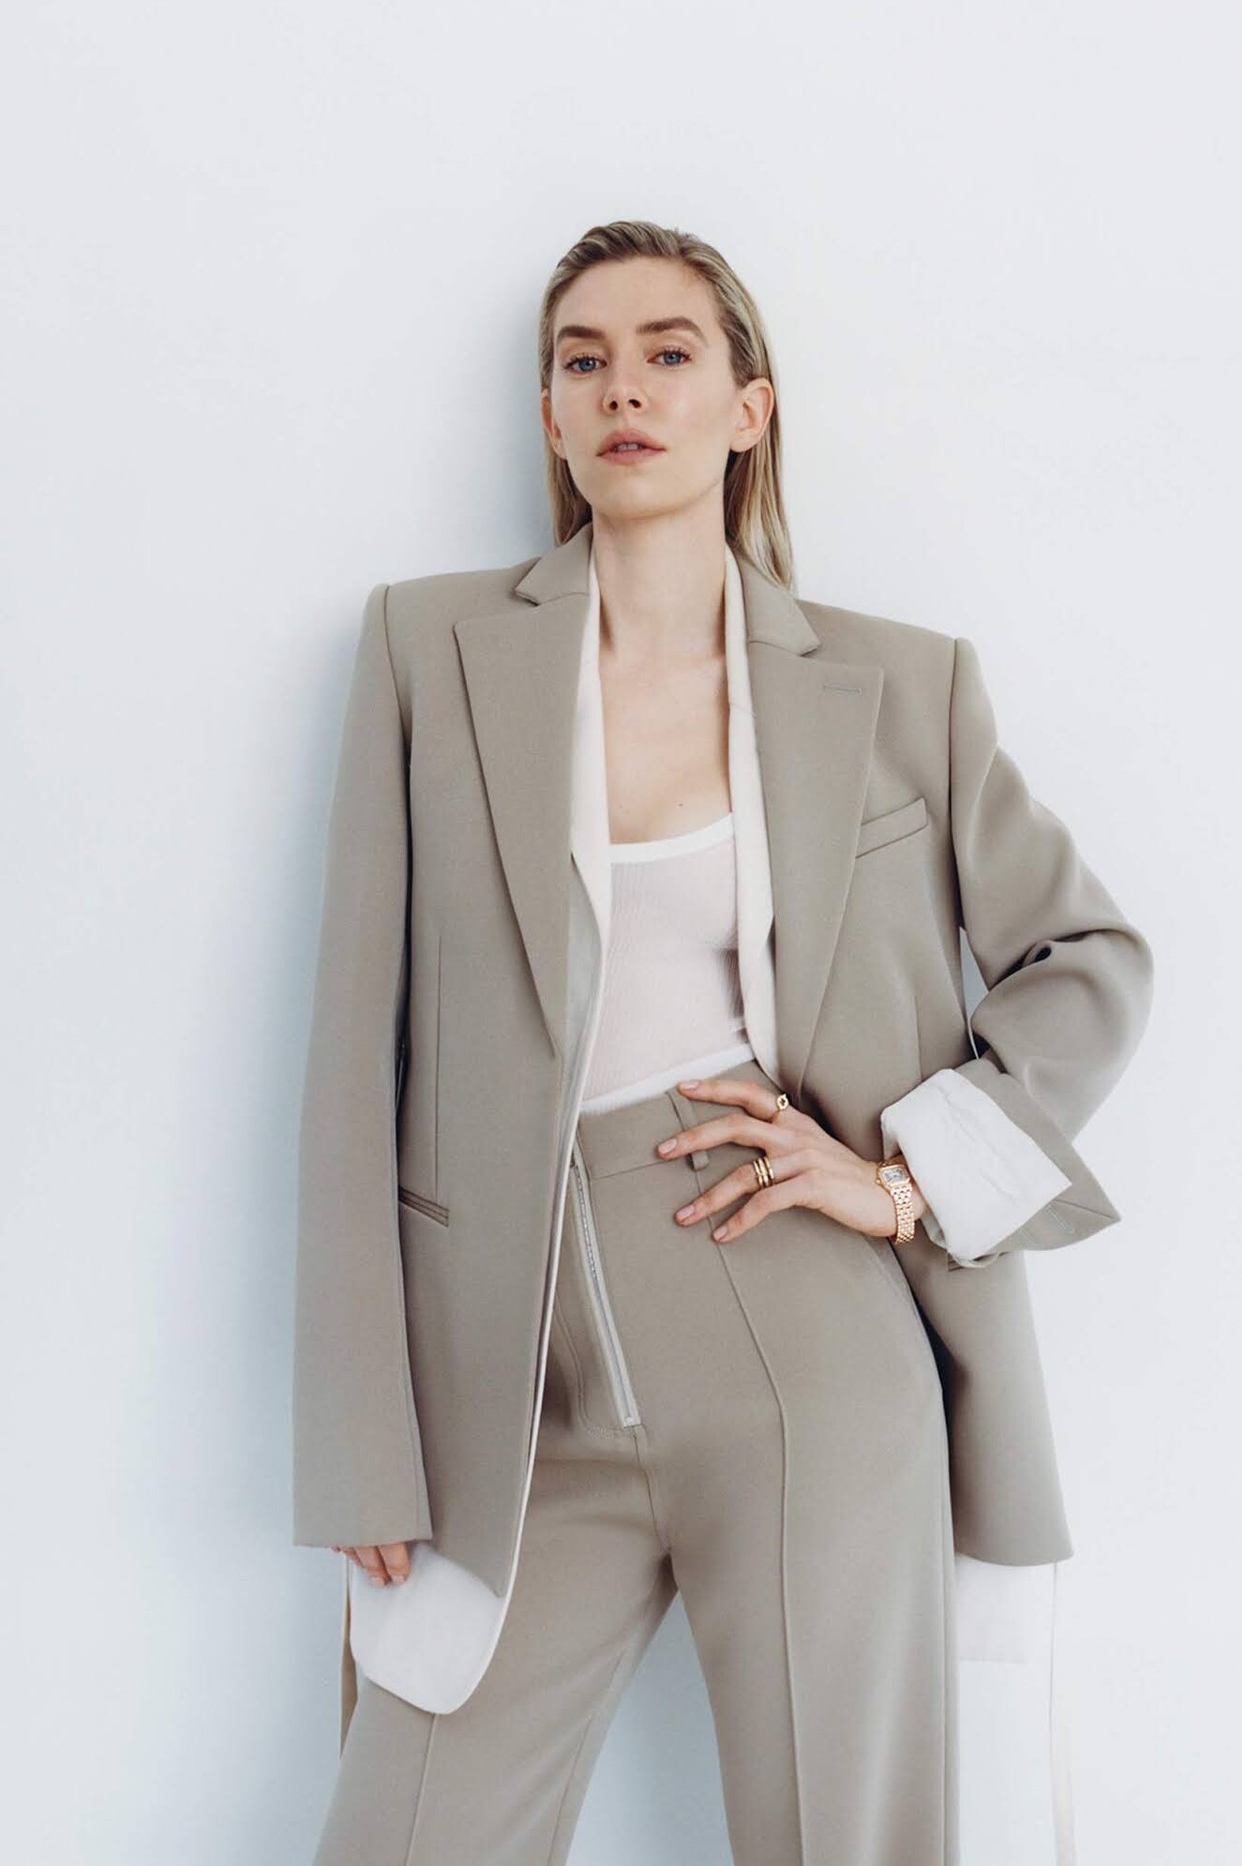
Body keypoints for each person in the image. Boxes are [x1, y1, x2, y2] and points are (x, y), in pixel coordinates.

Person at [293, 219, 1154, 1865]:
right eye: (584, 360)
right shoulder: (425, 652)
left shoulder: (899, 685)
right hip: (511, 1392)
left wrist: (905, 1182)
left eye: (669, 353)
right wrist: (360, 1446)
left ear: (748, 408)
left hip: (810, 1358)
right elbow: (355, 1064)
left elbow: (1089, 957)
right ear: (551, 417)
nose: (625, 389)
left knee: (848, 1838)